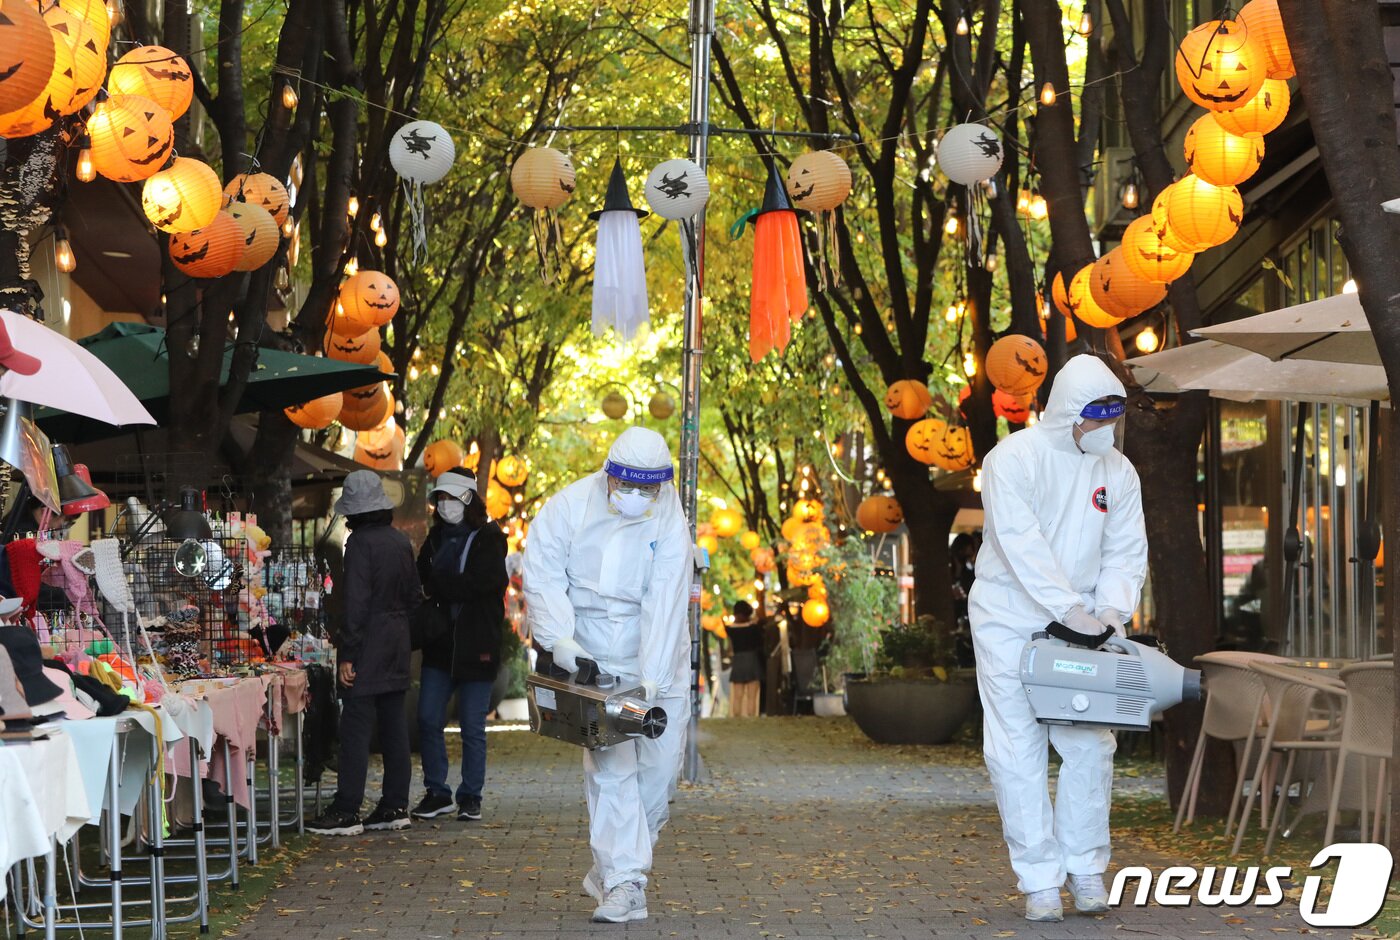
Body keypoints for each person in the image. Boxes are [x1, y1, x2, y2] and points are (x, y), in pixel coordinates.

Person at [968, 353, 1147, 922]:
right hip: (1007, 619)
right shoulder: (1012, 460)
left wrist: (1112, 612)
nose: (1104, 432)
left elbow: (1125, 548)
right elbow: (1020, 543)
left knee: (1091, 745)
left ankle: (1087, 869)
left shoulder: (1118, 471)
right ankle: (1039, 880)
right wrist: (1067, 606)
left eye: (1112, 420)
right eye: (1095, 420)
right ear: (1068, 413)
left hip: (1087, 630)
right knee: (1016, 750)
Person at [522, 427, 692, 924]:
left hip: (658, 664)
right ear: (609, 475)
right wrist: (562, 641)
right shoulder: (569, 507)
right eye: (629, 486)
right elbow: (543, 571)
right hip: (593, 661)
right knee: (612, 774)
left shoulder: (670, 521)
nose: (638, 497)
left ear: (662, 486)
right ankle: (624, 884)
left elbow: (666, 600)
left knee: (656, 781)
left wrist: (655, 677)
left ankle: (613, 866)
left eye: (649, 489)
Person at [307, 470, 422, 837]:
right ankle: (395, 805)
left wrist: (348, 654)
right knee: (393, 728)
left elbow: (355, 605)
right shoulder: (400, 541)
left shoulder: (358, 545)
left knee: (355, 727)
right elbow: (414, 597)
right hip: (397, 641)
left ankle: (346, 810)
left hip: (368, 642)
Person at [411, 470, 509, 823]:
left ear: (469, 499)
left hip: (477, 645)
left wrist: (443, 584)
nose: (445, 505)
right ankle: (437, 792)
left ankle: (471, 796)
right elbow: (423, 577)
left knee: (472, 726)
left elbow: (483, 583)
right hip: (439, 646)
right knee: (427, 719)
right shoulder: (435, 539)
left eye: (452, 498)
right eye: (441, 498)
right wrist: (447, 584)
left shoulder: (489, 538)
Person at [726, 600, 763, 717]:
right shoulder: (754, 628)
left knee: (738, 695)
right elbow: (760, 642)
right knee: (752, 695)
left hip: (738, 661)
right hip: (752, 660)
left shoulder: (730, 629)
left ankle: (736, 718)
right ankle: (751, 717)